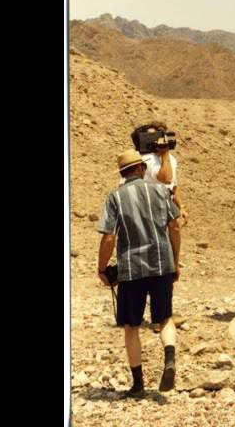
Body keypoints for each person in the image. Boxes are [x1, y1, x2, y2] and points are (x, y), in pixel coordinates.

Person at [96, 148, 182, 397]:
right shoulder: (160, 191)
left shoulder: (115, 198)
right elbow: (174, 228)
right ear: (141, 169)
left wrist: (102, 269)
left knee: (131, 326)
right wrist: (175, 262)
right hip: (161, 265)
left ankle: (138, 385)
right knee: (164, 318)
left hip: (131, 270)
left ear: (123, 173)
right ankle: (169, 359)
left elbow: (109, 238)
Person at [131, 122, 187, 225]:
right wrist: (165, 154)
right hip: (149, 210)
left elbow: (173, 186)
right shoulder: (146, 159)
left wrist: (181, 207)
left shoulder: (170, 159)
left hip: (165, 207)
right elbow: (166, 179)